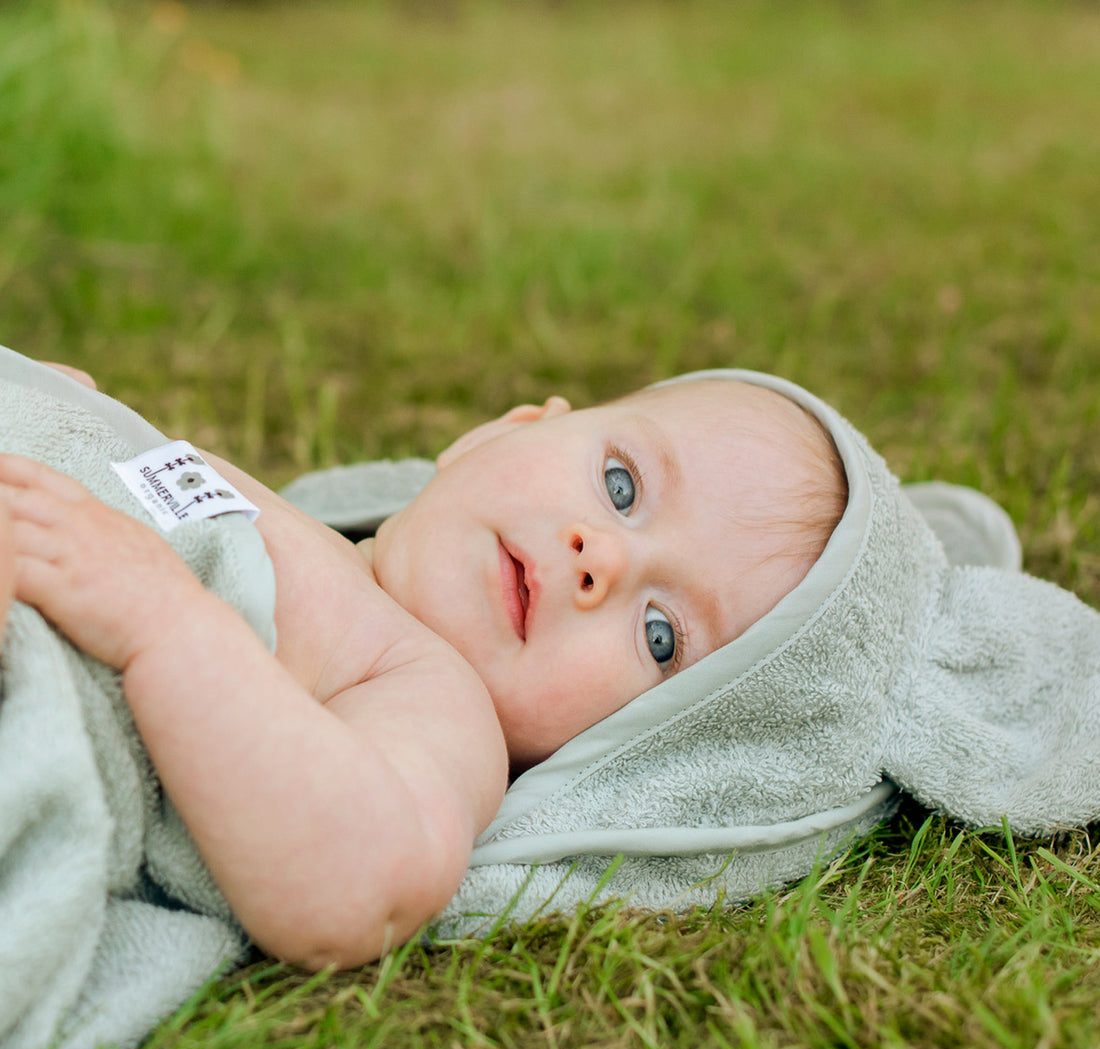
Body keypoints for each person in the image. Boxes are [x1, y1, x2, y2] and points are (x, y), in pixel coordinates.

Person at [0, 359, 847, 973]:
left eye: (661, 636)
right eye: (621, 485)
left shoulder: (434, 700)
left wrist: (162, 620)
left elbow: (357, 884)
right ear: (496, 435)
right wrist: (73, 418)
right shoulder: (310, 538)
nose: (605, 560)